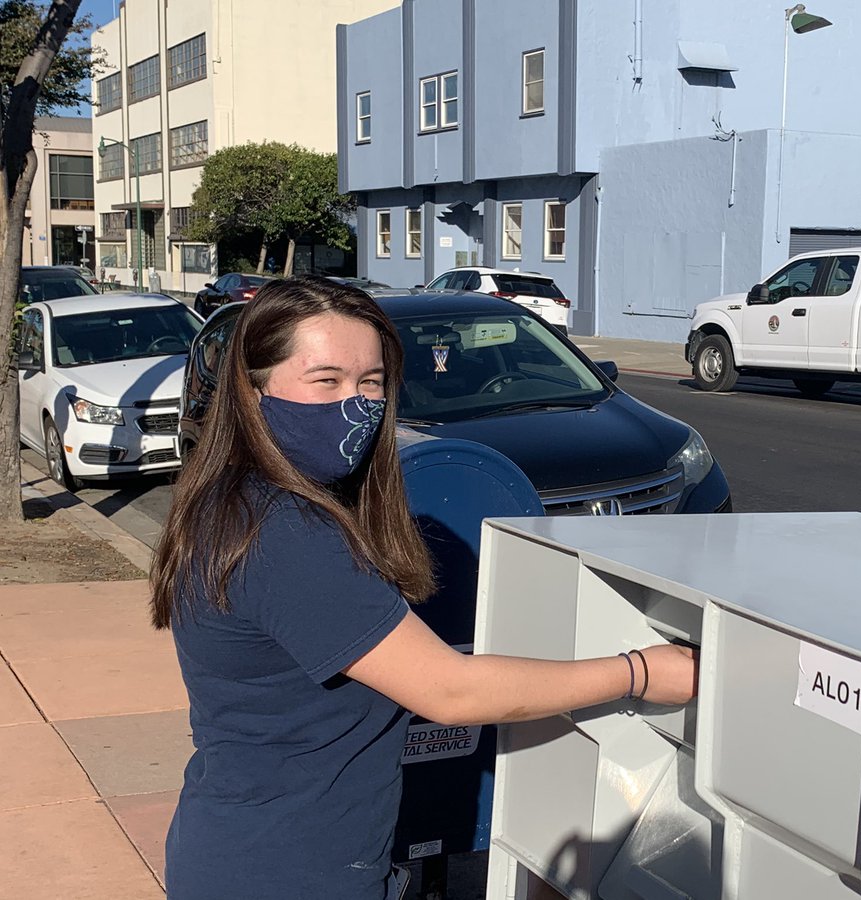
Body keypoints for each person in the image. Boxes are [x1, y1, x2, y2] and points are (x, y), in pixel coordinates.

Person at [149, 275, 697, 900]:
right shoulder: (281, 531)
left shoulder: (234, 502)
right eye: (325, 380)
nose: (354, 403)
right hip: (287, 870)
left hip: (266, 848)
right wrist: (640, 672)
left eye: (371, 382)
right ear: (254, 389)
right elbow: (449, 690)